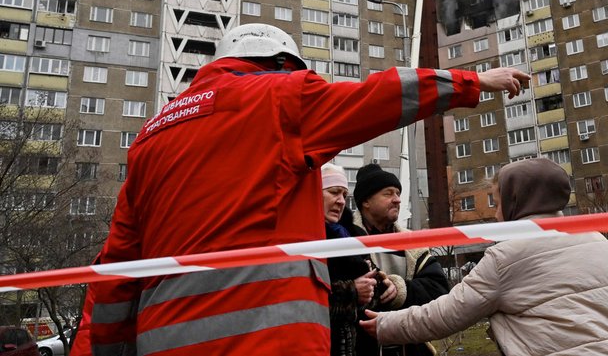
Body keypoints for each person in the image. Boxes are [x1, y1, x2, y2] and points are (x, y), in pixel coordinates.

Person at [72, 23, 530, 356]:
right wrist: (473, 81)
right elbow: (377, 96)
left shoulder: (151, 135)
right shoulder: (279, 96)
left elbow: (116, 269)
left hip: (162, 342)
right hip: (270, 340)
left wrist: (111, 351)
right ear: (282, 64)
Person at [360, 157, 608, 356]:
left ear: (516, 202)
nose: (496, 214)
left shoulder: (507, 257)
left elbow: (445, 314)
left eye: (498, 203)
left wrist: (384, 326)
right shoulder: (596, 239)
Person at [351, 163, 448, 356]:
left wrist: (401, 289)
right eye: (388, 194)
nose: (397, 200)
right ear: (366, 201)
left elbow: (439, 291)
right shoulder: (344, 241)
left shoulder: (413, 245)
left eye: (398, 193)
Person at [322, 163, 379, 356]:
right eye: (334, 192)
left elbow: (370, 292)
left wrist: (381, 283)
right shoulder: (299, 239)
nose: (341, 201)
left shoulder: (350, 235)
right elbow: (301, 301)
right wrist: (351, 291)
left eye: (344, 195)